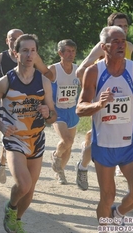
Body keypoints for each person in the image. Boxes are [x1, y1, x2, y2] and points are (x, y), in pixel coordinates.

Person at [0, 34, 57, 233]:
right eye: (24, 50)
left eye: (33, 50)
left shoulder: (44, 82)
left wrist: (48, 113)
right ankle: (10, 207)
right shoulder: (5, 82)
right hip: (14, 139)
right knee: (23, 185)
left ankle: (17, 219)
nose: (29, 54)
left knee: (29, 192)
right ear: (15, 54)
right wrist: (1, 126)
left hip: (37, 139)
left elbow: (53, 116)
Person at [76, 26, 133, 225]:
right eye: (115, 41)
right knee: (107, 197)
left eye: (123, 41)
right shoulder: (93, 72)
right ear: (104, 46)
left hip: (130, 143)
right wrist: (99, 104)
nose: (121, 45)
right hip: (105, 144)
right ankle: (105, 228)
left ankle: (116, 216)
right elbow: (80, 108)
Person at [0, 29, 53, 184]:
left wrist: (44, 89)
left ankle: (2, 161)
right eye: (12, 38)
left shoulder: (32, 56)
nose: (15, 40)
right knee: (10, 131)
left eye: (18, 38)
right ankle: (12, 163)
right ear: (7, 41)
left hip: (29, 101)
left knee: (20, 130)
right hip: (5, 100)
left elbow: (48, 74)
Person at [76, 12, 133, 189]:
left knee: (130, 137)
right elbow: (80, 70)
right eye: (119, 26)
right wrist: (93, 88)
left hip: (123, 99)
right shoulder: (101, 46)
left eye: (125, 26)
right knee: (97, 141)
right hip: (103, 99)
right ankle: (83, 165)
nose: (123, 29)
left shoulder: (129, 46)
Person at [48, 39, 81, 185]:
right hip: (58, 111)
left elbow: (85, 87)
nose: (71, 54)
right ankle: (56, 155)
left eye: (73, 51)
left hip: (72, 110)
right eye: (67, 51)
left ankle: (60, 172)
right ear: (60, 53)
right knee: (67, 140)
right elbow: (43, 88)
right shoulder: (53, 69)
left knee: (69, 145)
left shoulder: (78, 70)